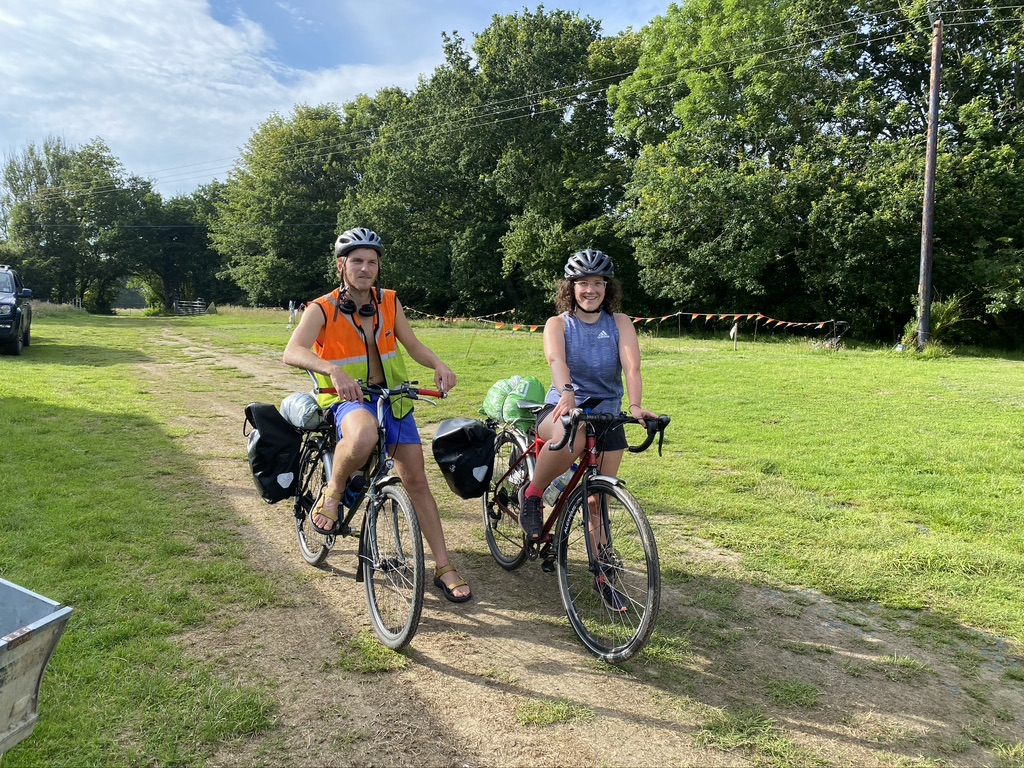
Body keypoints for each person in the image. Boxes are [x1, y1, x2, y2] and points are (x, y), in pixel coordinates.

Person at [283, 227, 471, 603]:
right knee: (364, 436)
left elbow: (412, 343)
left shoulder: (388, 302)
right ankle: (333, 492)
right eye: (357, 261)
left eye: (372, 262)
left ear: (378, 266)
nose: (365, 268)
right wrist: (333, 371)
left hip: (393, 398)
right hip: (347, 399)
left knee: (416, 480)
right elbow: (293, 351)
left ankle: (444, 566)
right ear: (342, 265)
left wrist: (437, 363)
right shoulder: (322, 307)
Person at [517, 249, 658, 608]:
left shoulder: (620, 322)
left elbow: (632, 367)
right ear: (572, 287)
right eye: (583, 283)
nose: (590, 290)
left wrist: (637, 406)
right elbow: (556, 359)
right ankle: (533, 495)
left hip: (607, 415)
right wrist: (567, 392)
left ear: (608, 288)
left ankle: (602, 575)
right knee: (572, 438)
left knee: (597, 500)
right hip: (562, 407)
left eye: (598, 283)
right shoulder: (558, 323)